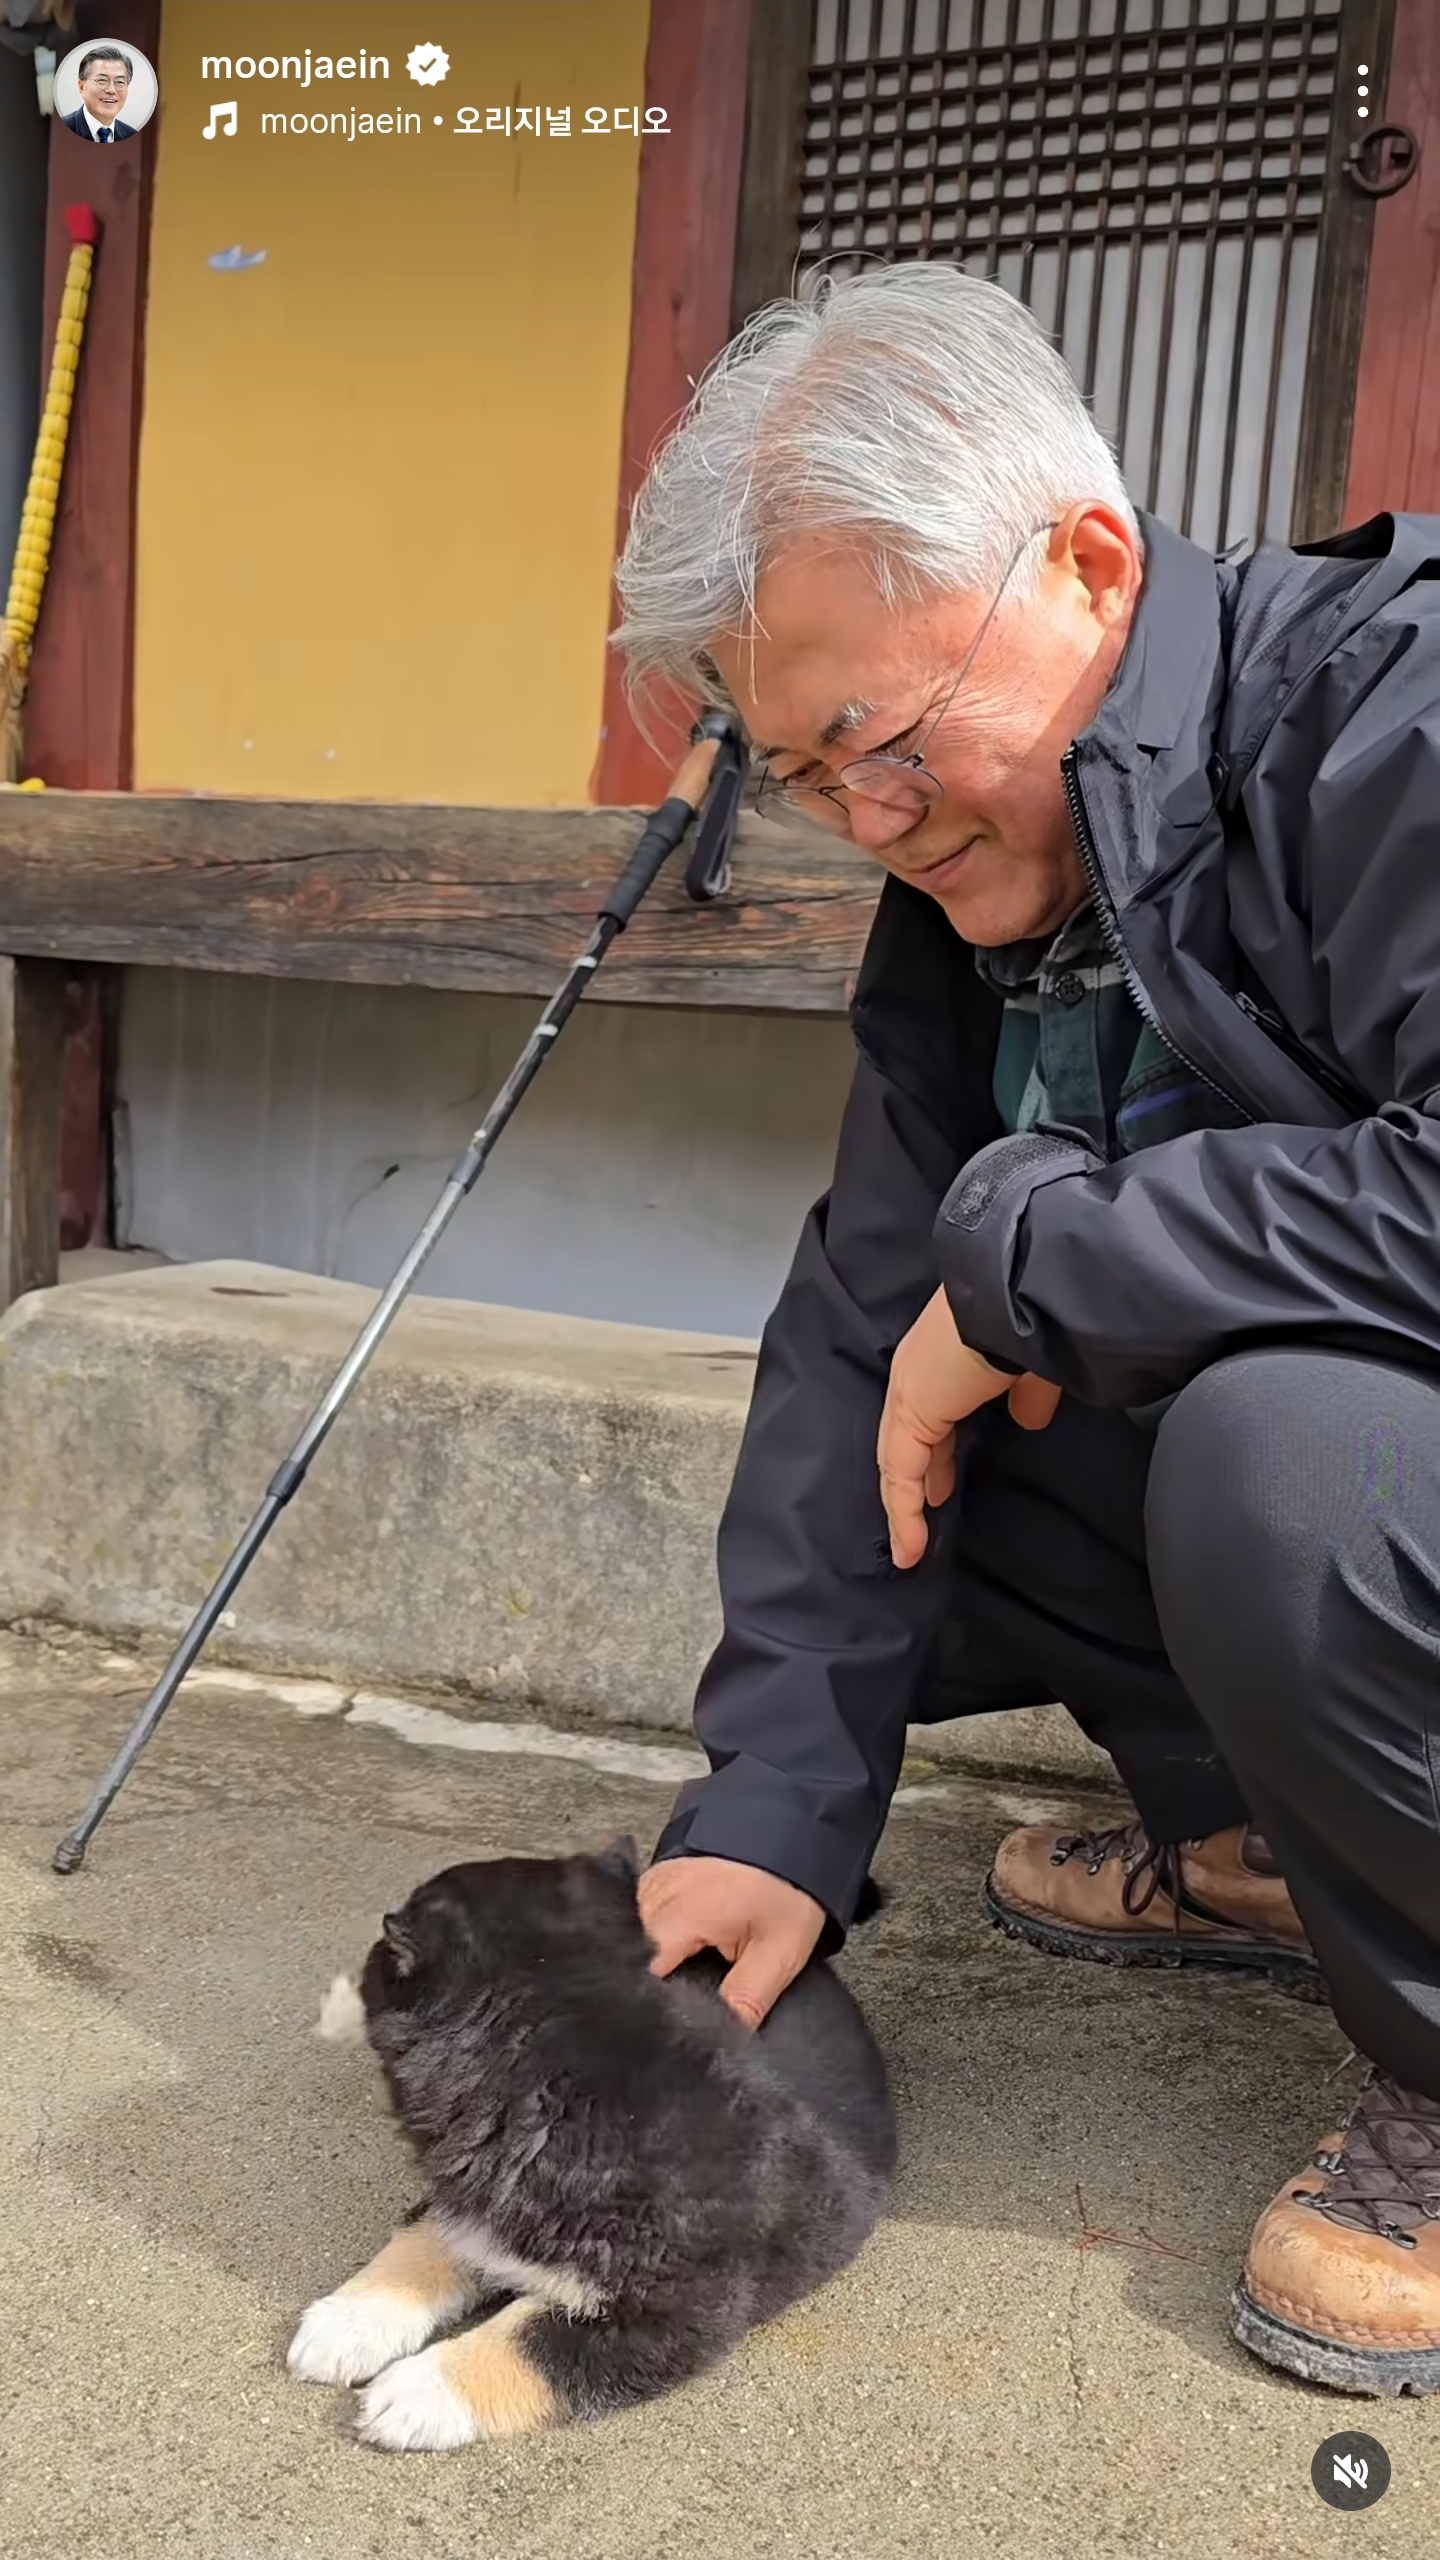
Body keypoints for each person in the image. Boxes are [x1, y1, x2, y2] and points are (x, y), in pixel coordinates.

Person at [616, 263, 1440, 2398]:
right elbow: (860, 1320)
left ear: (1085, 562)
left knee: (1278, 1459)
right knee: (917, 1432)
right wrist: (768, 1810)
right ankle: (1276, 1844)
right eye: (802, 774)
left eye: (881, 738)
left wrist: (1052, 1257)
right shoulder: (980, 894)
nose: (869, 821)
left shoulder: (1397, 716)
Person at [62, 46, 138, 142]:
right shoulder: (61, 130)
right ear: (82, 87)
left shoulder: (132, 136)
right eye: (102, 80)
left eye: (120, 82)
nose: (111, 90)